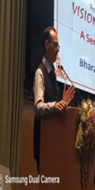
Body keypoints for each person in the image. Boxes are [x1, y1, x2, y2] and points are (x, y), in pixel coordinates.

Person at [33, 26, 75, 170]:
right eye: (55, 45)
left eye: (58, 45)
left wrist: (62, 103)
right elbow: (38, 108)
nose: (58, 49)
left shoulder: (53, 74)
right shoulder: (40, 72)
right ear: (47, 45)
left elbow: (54, 107)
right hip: (44, 143)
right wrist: (55, 105)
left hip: (54, 141)